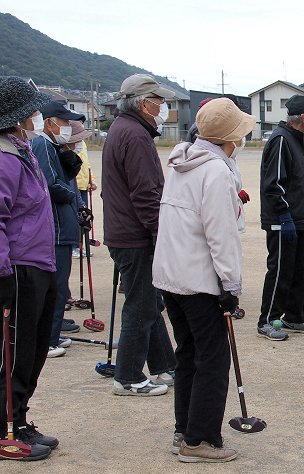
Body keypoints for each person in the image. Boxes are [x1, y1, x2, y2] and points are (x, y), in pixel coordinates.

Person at [153, 98, 255, 463]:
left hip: (170, 275)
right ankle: (200, 439)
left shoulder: (181, 162)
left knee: (189, 354)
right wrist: (231, 285)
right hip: (198, 279)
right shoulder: (215, 172)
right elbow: (221, 234)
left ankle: (185, 430)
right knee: (212, 359)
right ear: (230, 137)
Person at [102, 73, 176, 396]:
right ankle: (128, 376)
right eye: (159, 101)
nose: (163, 107)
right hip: (135, 235)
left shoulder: (124, 129)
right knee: (141, 305)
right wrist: (161, 234)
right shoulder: (134, 135)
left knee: (149, 302)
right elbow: (146, 194)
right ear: (145, 104)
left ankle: (165, 365)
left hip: (126, 232)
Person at [0, 76, 57, 461]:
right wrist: (3, 274)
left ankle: (18, 418)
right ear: (17, 116)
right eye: (32, 110)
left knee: (33, 350)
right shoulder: (5, 157)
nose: (37, 115)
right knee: (15, 352)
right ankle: (5, 427)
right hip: (18, 267)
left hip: (38, 262)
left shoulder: (22, 151)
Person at [258, 95, 304, 340]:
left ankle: (294, 317)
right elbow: (273, 183)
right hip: (282, 219)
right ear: (303, 117)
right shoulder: (281, 140)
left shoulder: (297, 139)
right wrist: (284, 215)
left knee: (299, 270)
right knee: (280, 271)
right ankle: (267, 320)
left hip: (298, 218)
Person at [31, 101, 90, 357]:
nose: (67, 127)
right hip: (56, 228)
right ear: (50, 122)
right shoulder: (43, 144)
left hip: (63, 226)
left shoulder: (52, 145)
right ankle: (48, 340)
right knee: (55, 287)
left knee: (58, 286)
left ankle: (52, 335)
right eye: (64, 122)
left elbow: (65, 178)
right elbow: (49, 184)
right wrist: (72, 197)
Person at [68, 121, 94, 259]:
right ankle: (74, 246)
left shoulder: (82, 144)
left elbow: (87, 165)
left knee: (84, 216)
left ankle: (80, 245)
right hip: (74, 185)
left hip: (84, 184)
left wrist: (91, 179)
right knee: (75, 217)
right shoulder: (68, 146)